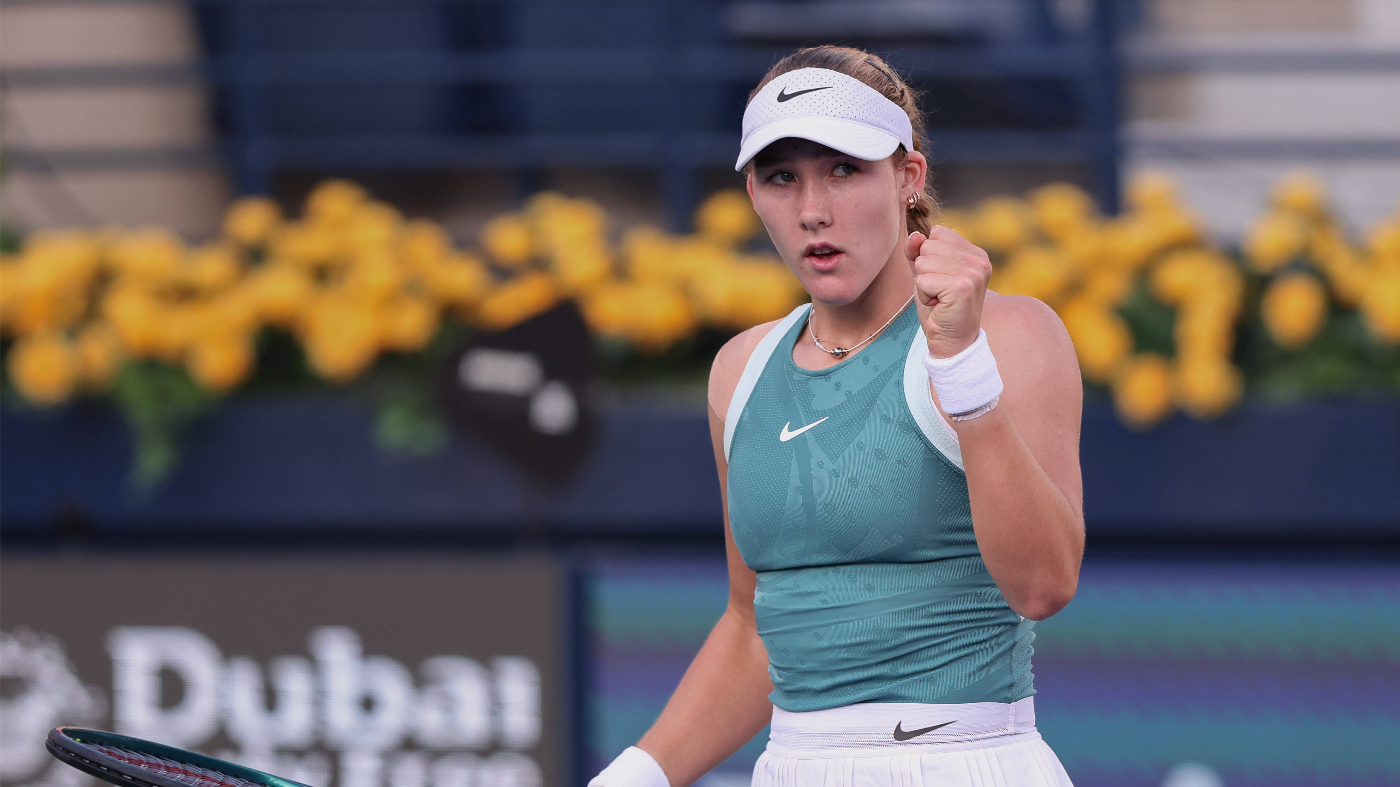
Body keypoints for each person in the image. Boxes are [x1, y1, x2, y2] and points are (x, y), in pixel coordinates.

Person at [590, 45, 1084, 787]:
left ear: (908, 177)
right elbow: (754, 628)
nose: (812, 210)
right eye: (781, 177)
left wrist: (961, 366)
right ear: (753, 193)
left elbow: (1044, 585)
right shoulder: (739, 370)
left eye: (844, 170)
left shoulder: (1011, 334)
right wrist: (632, 778)